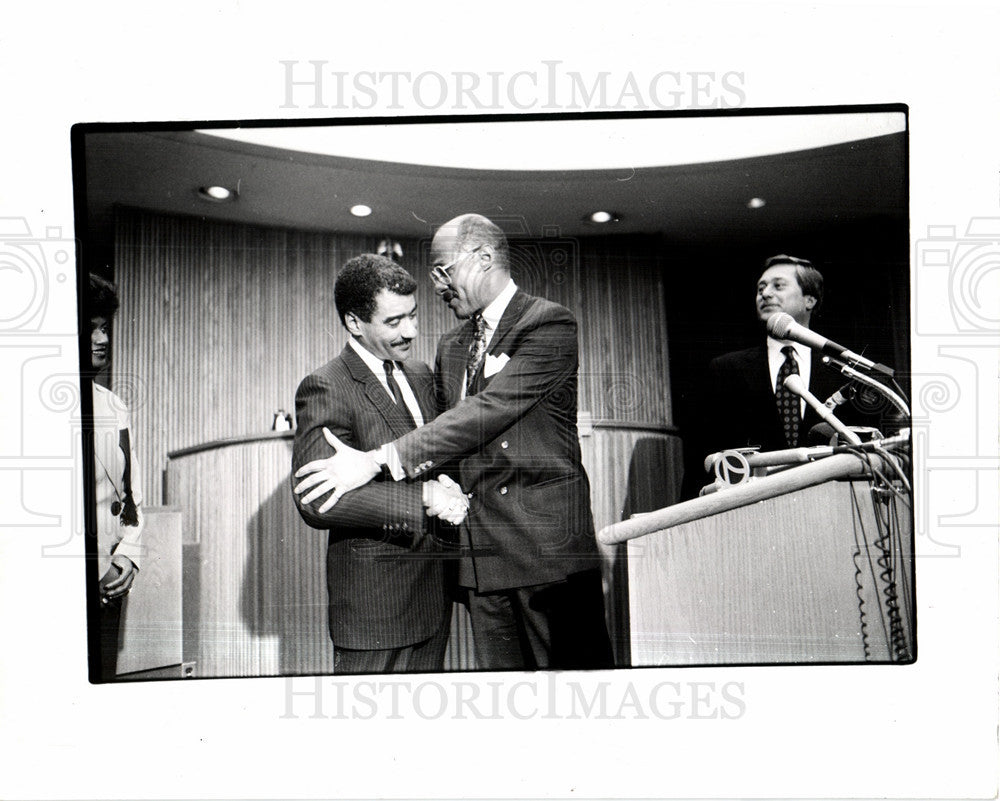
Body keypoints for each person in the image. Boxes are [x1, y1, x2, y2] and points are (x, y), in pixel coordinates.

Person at [295, 214, 614, 671]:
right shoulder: (450, 346)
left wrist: (379, 460)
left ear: (483, 258)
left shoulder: (549, 324)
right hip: (482, 568)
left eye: (443, 270)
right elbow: (443, 444)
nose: (438, 285)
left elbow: (485, 412)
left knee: (577, 704)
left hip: (548, 562)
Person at [291, 253, 468, 675]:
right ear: (355, 323)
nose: (411, 331)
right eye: (394, 322)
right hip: (375, 613)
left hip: (433, 600)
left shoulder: (422, 374)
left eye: (413, 315)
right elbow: (317, 502)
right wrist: (422, 498)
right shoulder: (326, 385)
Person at [702, 254, 860, 458]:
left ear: (809, 300)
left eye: (778, 286)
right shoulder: (726, 369)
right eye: (760, 288)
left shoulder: (842, 369)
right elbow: (706, 449)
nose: (765, 294)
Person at [87, 274, 144, 681]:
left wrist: (127, 556)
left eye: (104, 326)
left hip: (113, 582)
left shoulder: (113, 406)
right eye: (90, 326)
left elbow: (130, 497)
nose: (102, 337)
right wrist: (95, 570)